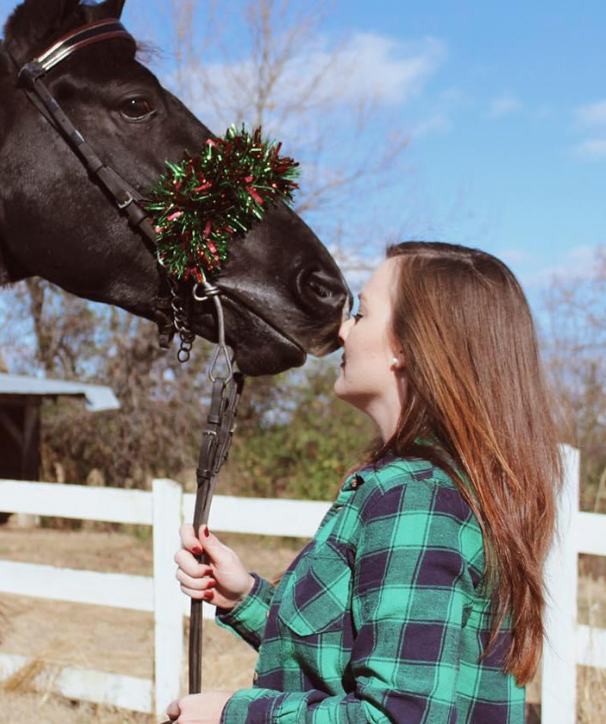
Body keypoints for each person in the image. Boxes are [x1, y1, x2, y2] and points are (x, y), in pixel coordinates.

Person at [168, 241, 562, 724]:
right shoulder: (423, 487)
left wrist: (231, 714)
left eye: (363, 312)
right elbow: (352, 653)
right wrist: (243, 598)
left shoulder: (416, 496)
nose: (343, 328)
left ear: (405, 347)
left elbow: (397, 716)